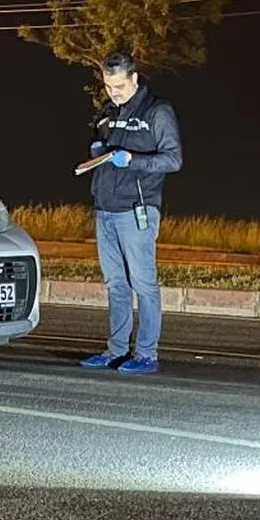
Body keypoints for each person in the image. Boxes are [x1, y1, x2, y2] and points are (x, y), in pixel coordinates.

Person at [80, 50, 182, 375]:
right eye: (109, 87)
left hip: (136, 210)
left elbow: (173, 159)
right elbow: (103, 145)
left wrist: (133, 160)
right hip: (105, 210)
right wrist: (98, 151)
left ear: (134, 78)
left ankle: (147, 354)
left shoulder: (157, 111)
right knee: (115, 284)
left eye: (120, 86)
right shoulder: (109, 112)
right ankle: (116, 350)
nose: (115, 93)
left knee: (143, 283)